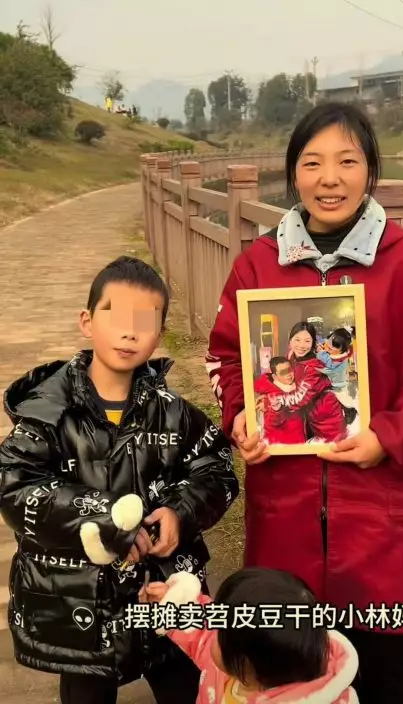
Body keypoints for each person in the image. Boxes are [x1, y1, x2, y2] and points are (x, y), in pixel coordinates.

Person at [204, 101, 403, 703]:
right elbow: (225, 357)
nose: (330, 179)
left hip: (381, 506)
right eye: (313, 163)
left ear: (370, 170)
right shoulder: (258, 264)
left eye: (347, 162)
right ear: (292, 174)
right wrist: (243, 415)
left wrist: (389, 436)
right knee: (288, 666)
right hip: (287, 504)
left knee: (387, 665)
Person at [0, 256, 239, 704]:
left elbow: (215, 469)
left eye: (144, 322)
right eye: (116, 316)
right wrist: (102, 517)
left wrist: (181, 512)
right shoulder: (48, 414)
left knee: (187, 685)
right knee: (87, 689)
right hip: (80, 606)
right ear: (87, 321)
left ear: (159, 334)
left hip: (166, 596)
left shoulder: (174, 413)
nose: (129, 333)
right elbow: (15, 484)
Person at [139, 567, 360, 703]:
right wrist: (173, 603)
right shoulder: (255, 652)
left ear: (245, 663)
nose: (213, 629)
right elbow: (202, 632)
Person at [253, 356, 307, 445]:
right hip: (280, 444)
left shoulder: (297, 387)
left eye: (290, 370)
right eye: (283, 372)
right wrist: (276, 409)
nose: (288, 374)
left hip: (298, 440)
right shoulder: (271, 395)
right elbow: (273, 422)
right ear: (275, 376)